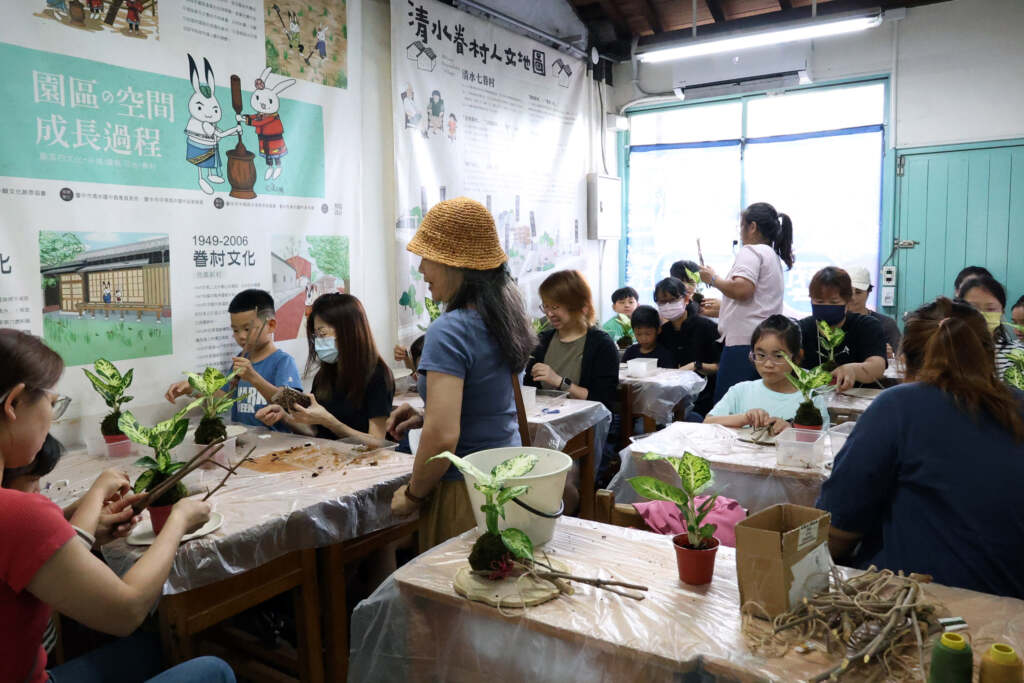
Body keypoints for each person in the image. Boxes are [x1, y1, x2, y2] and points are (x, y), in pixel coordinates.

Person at [0, 329, 234, 683]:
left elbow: (20, 547)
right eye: (52, 403)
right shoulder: (21, 513)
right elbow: (127, 611)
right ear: (14, 403)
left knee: (150, 651)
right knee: (214, 670)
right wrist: (179, 520)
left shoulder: (21, 517)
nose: (53, 417)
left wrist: (69, 525)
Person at [816, 298, 1024, 598]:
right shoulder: (1017, 406)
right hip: (1010, 613)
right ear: (988, 354)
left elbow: (838, 530)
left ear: (905, 361)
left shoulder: (899, 406)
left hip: (915, 607)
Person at [387, 198, 535, 550]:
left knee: (454, 600)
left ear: (455, 264)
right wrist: (426, 414)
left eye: (427, 258)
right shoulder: (502, 317)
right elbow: (483, 402)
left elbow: (442, 438)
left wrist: (413, 494)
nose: (421, 270)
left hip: (464, 491)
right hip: (509, 480)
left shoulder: (449, 330)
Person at [255, 294, 394, 443]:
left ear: (348, 331)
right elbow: (315, 431)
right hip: (329, 459)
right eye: (316, 336)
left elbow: (377, 442)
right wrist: (284, 416)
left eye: (322, 334)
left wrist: (329, 421)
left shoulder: (377, 374)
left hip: (363, 462)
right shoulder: (325, 375)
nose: (318, 343)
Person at [164, 289, 302, 428]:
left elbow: (293, 407)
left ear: (271, 325)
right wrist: (192, 388)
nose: (241, 336)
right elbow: (224, 399)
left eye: (247, 329)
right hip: (245, 442)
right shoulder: (241, 360)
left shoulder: (283, 362)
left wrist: (253, 377)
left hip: (278, 445)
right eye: (235, 330)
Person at [698, 202, 793, 403]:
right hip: (762, 342)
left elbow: (742, 289)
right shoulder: (771, 255)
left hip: (743, 346)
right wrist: (724, 309)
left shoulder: (751, 251)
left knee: (729, 410)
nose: (740, 232)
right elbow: (757, 302)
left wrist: (712, 279)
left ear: (752, 227)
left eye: (741, 226)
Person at [705, 315, 828, 434]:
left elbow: (823, 441)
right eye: (761, 355)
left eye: (779, 356)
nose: (768, 364)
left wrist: (791, 430)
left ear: (796, 358)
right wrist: (744, 419)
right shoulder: (740, 391)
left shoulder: (811, 398)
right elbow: (707, 423)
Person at [525, 270, 619, 412]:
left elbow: (603, 400)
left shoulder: (601, 344)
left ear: (581, 307)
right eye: (546, 306)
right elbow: (529, 389)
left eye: (555, 307)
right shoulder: (543, 341)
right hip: (543, 420)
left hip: (584, 425)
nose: (549, 314)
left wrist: (560, 382)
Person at [797, 267, 887, 391]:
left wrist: (853, 370)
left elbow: (878, 366)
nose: (826, 306)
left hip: (855, 402)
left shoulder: (867, 326)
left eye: (834, 302)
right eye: (819, 301)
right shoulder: (800, 329)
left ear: (847, 302)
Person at [654, 277, 721, 416]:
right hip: (670, 399)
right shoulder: (663, 332)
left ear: (686, 299)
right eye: (662, 301)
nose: (667, 305)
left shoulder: (706, 327)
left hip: (703, 400)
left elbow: (720, 366)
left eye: (672, 300)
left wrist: (697, 365)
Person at [958, 275, 1024, 381]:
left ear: (1002, 312)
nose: (981, 315)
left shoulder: (1017, 355)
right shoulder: (947, 351)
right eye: (972, 308)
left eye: (990, 308)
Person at [846, 266, 901, 355]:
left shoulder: (886, 324)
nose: (852, 297)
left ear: (868, 292)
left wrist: (890, 355)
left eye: (858, 292)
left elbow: (902, 358)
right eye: (848, 292)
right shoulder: (833, 323)